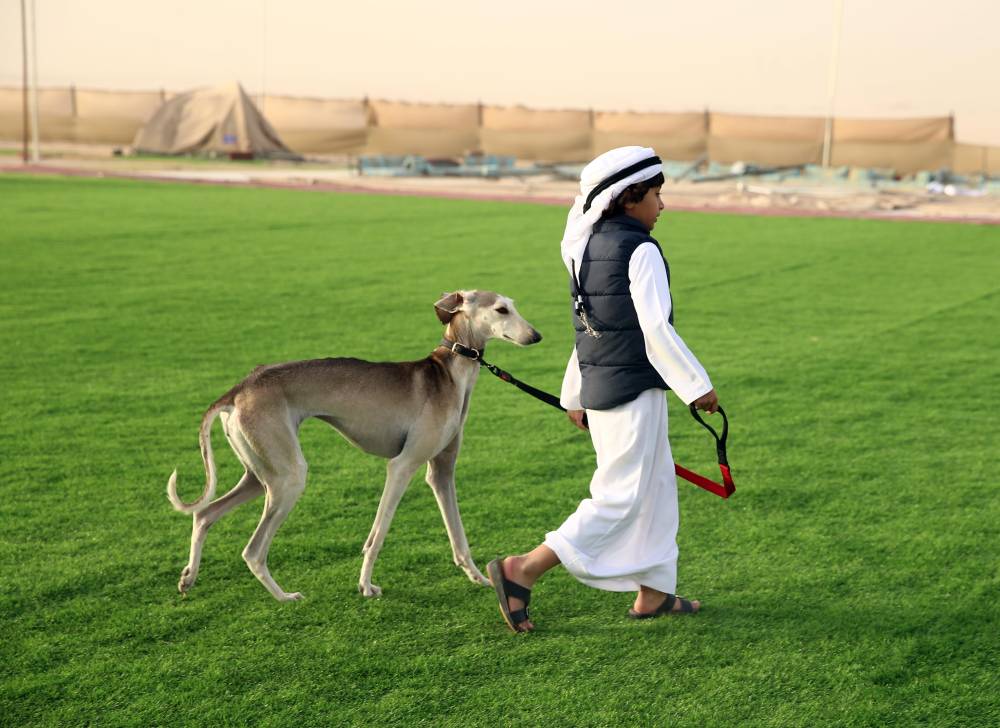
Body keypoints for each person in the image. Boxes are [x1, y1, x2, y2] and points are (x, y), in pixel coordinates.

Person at [487, 146, 720, 633]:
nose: (663, 204)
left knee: (655, 491)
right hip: (631, 390)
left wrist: (575, 393)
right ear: (630, 197)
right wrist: (698, 387)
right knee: (619, 495)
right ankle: (521, 570)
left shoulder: (589, 248)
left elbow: (591, 328)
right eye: (657, 194)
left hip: (613, 386)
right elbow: (655, 328)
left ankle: (654, 594)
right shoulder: (640, 250)